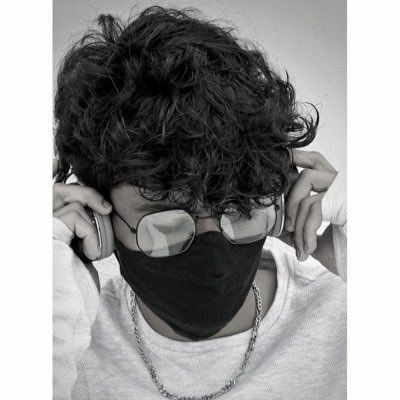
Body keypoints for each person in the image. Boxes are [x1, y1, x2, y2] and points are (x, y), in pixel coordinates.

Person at [53, 6, 346, 400]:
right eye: (165, 224)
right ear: (98, 220)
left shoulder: (347, 310)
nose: (214, 262)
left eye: (240, 209)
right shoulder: (64, 330)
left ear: (278, 207)